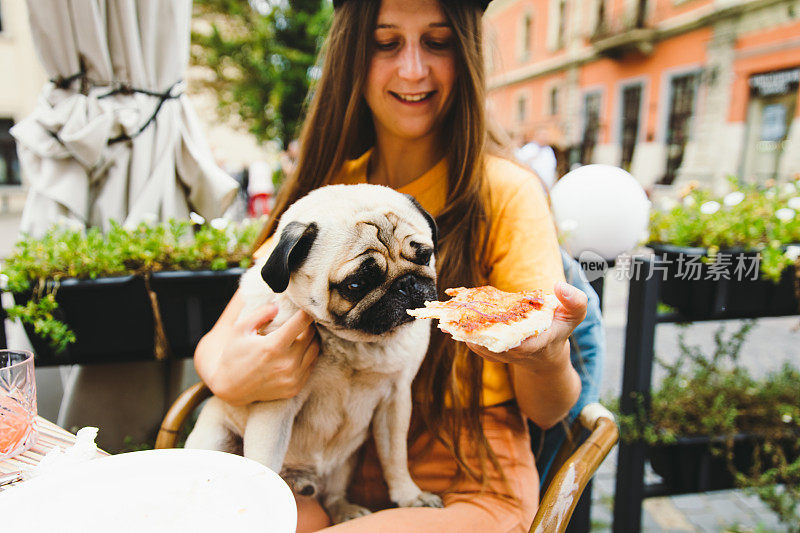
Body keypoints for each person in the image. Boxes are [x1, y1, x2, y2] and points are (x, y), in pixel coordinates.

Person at [193, 0, 587, 531]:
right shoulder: (328, 198)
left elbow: (550, 411)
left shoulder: (506, 192)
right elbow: (225, 338)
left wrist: (545, 352)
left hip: (465, 479)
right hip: (332, 471)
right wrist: (231, 376)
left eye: (437, 42)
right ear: (353, 54)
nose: (412, 69)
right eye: (386, 43)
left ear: (466, 54)